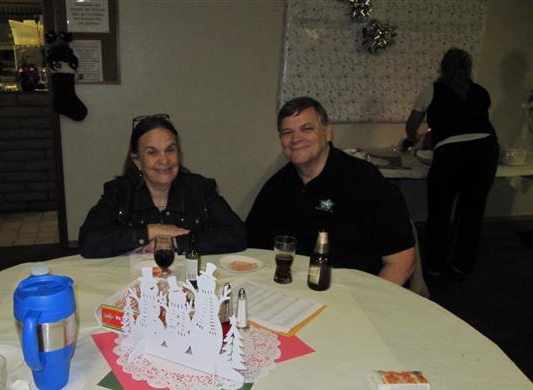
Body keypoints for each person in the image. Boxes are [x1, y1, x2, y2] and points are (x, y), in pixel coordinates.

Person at [246, 96, 416, 286]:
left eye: (306, 129)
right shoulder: (276, 188)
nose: (295, 139)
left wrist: (371, 301)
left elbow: (402, 262)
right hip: (291, 289)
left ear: (327, 133)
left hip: (357, 291)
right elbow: (252, 247)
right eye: (287, 132)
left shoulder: (364, 181)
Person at [79, 114, 246, 258]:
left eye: (170, 150)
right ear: (137, 161)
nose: (164, 160)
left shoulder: (200, 188)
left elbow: (238, 235)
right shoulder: (119, 192)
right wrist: (152, 230)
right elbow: (89, 241)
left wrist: (174, 242)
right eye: (152, 152)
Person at [403, 48, 499, 277]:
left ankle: (436, 265)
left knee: (440, 210)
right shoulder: (481, 92)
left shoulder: (432, 90)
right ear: (469, 68)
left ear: (442, 67)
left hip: (452, 154)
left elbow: (412, 125)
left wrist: (413, 139)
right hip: (486, 151)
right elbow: (469, 123)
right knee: (473, 211)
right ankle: (463, 264)